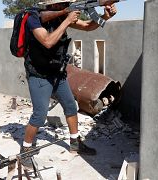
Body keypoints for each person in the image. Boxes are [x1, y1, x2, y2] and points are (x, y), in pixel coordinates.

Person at [21, 0, 117, 168]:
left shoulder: (61, 17)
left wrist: (105, 17)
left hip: (58, 73)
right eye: (62, 4)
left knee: (71, 107)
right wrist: (67, 20)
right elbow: (48, 41)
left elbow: (87, 26)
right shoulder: (33, 18)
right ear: (52, 6)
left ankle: (75, 144)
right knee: (39, 114)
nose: (64, 6)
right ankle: (25, 152)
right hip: (39, 75)